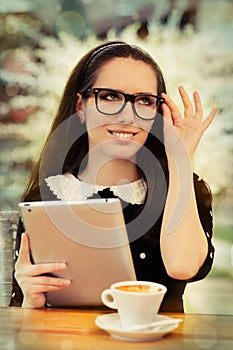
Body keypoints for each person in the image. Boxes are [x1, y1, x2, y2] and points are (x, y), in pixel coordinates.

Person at [10, 41, 217, 312]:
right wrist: (30, 300)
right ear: (81, 107)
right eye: (109, 96)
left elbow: (183, 267)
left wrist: (179, 158)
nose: (127, 115)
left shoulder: (187, 187)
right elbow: (22, 316)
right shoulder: (43, 200)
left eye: (144, 101)